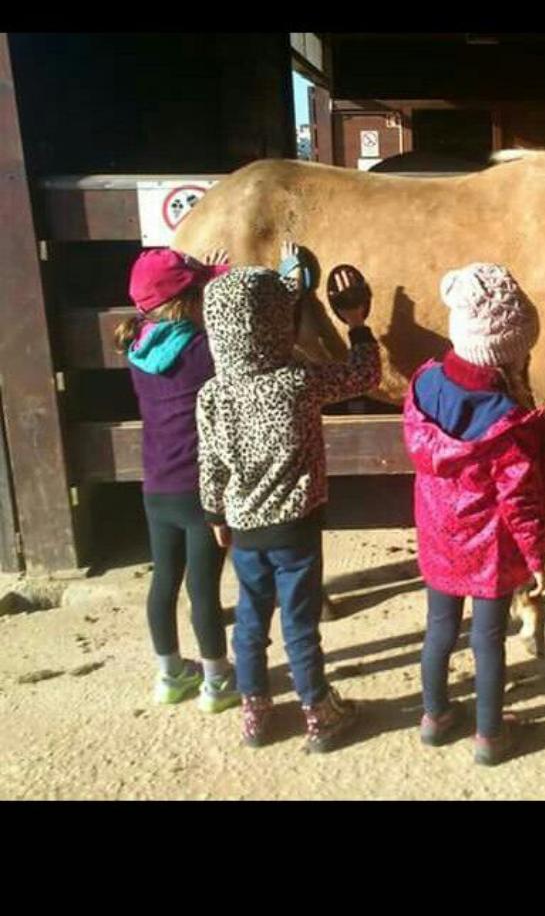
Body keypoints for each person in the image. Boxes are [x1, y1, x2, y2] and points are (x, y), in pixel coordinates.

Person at [197, 243, 381, 753]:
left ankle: (255, 713)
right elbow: (362, 374)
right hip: (297, 525)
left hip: (242, 528)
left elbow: (210, 463)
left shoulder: (212, 394)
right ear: (278, 326)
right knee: (300, 624)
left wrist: (215, 511)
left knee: (251, 621)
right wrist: (358, 325)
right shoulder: (296, 382)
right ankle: (319, 711)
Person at [402, 262, 545, 766]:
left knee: (438, 628)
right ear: (509, 354)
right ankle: (489, 736)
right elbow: (521, 500)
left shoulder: (422, 386)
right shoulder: (510, 423)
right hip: (490, 548)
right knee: (488, 639)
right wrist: (537, 556)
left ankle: (434, 716)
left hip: (439, 534)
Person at [115, 247, 240, 712]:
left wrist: (198, 275)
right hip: (198, 488)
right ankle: (216, 681)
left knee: (163, 581)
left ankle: (170, 676)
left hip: (156, 488)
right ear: (188, 300)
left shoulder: (136, 348)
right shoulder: (202, 350)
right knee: (203, 587)